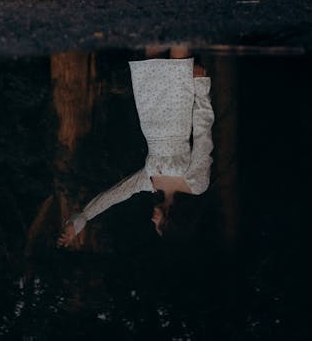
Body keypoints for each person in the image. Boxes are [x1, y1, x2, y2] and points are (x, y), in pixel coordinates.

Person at [57, 50, 214, 247]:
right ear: (171, 221)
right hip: (178, 109)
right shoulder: (197, 184)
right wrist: (201, 88)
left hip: (148, 112)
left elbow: (115, 194)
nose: (152, 221)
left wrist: (82, 219)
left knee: (152, 46)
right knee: (178, 44)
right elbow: (203, 134)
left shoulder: (150, 184)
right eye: (158, 225)